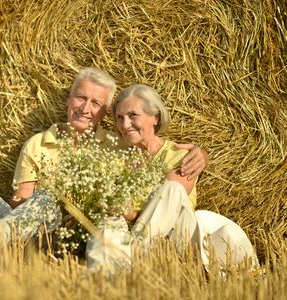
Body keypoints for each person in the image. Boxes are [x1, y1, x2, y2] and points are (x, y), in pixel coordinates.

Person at [0, 68, 208, 245]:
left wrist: (201, 154)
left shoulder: (118, 145)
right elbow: (22, 200)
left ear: (105, 113)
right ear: (68, 100)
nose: (85, 108)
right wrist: (28, 206)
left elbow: (150, 156)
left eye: (95, 104)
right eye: (80, 98)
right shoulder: (38, 143)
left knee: (50, 200)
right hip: (33, 222)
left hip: (74, 229)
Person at [85, 84, 259, 273]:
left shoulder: (180, 155)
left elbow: (169, 200)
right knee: (107, 223)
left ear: (155, 118)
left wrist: (128, 211)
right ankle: (102, 282)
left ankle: (131, 259)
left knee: (171, 189)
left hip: (181, 243)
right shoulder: (117, 158)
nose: (125, 124)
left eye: (133, 115)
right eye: (120, 117)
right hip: (136, 240)